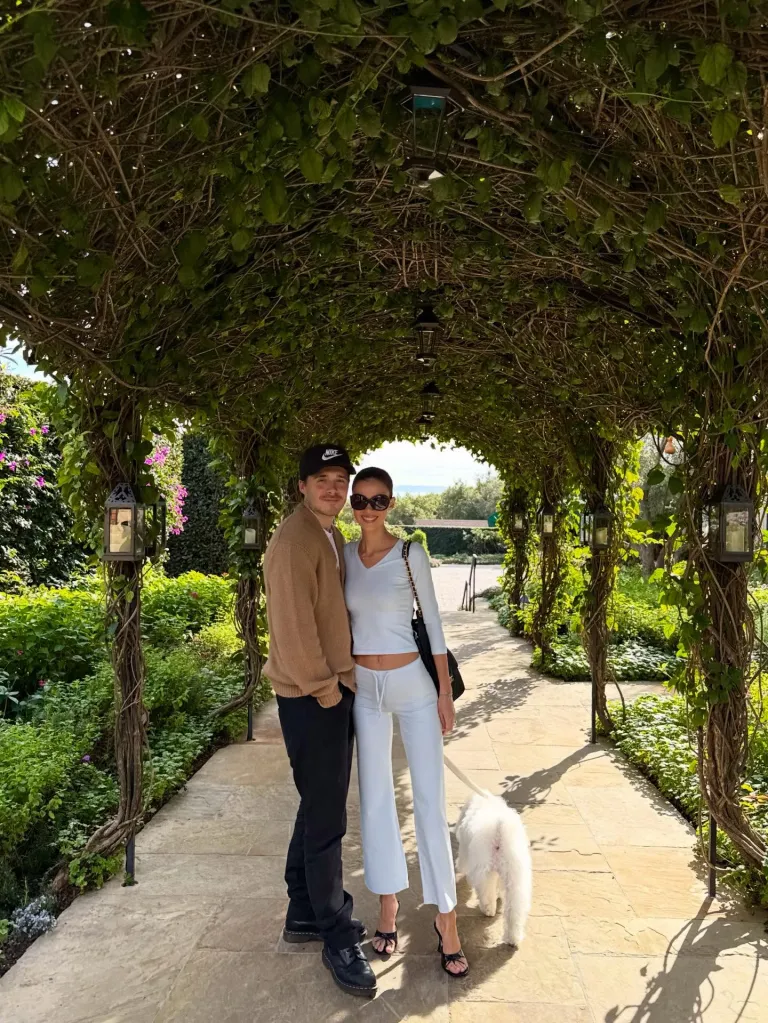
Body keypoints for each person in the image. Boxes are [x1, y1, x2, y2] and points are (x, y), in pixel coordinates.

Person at [344, 466, 469, 978]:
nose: (368, 508)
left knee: (428, 801)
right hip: (363, 690)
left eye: (378, 500)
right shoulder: (344, 555)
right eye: (360, 499)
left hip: (413, 686)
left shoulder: (408, 553)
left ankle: (446, 917)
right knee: (375, 801)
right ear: (352, 502)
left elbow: (434, 625)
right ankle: (388, 905)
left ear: (392, 503)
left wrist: (444, 692)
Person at [263, 444, 377, 999]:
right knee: (328, 818)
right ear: (302, 485)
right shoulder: (293, 541)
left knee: (317, 802)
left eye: (341, 479)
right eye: (323, 479)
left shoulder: (326, 534)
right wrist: (327, 691)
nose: (334, 489)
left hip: (327, 692)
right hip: (313, 698)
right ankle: (336, 933)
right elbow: (292, 627)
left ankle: (303, 909)